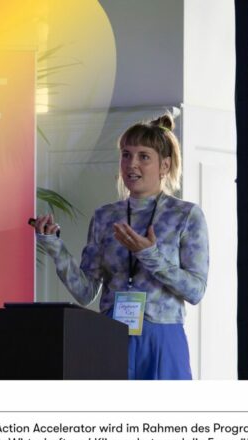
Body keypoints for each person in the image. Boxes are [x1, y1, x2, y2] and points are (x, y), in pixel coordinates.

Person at [34, 113, 209, 380]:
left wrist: (149, 255)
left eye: (143, 156)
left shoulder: (185, 215)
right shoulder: (105, 216)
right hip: (111, 335)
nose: (132, 164)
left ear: (165, 165)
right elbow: (85, 292)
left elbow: (195, 291)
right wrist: (55, 247)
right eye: (126, 155)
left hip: (162, 340)